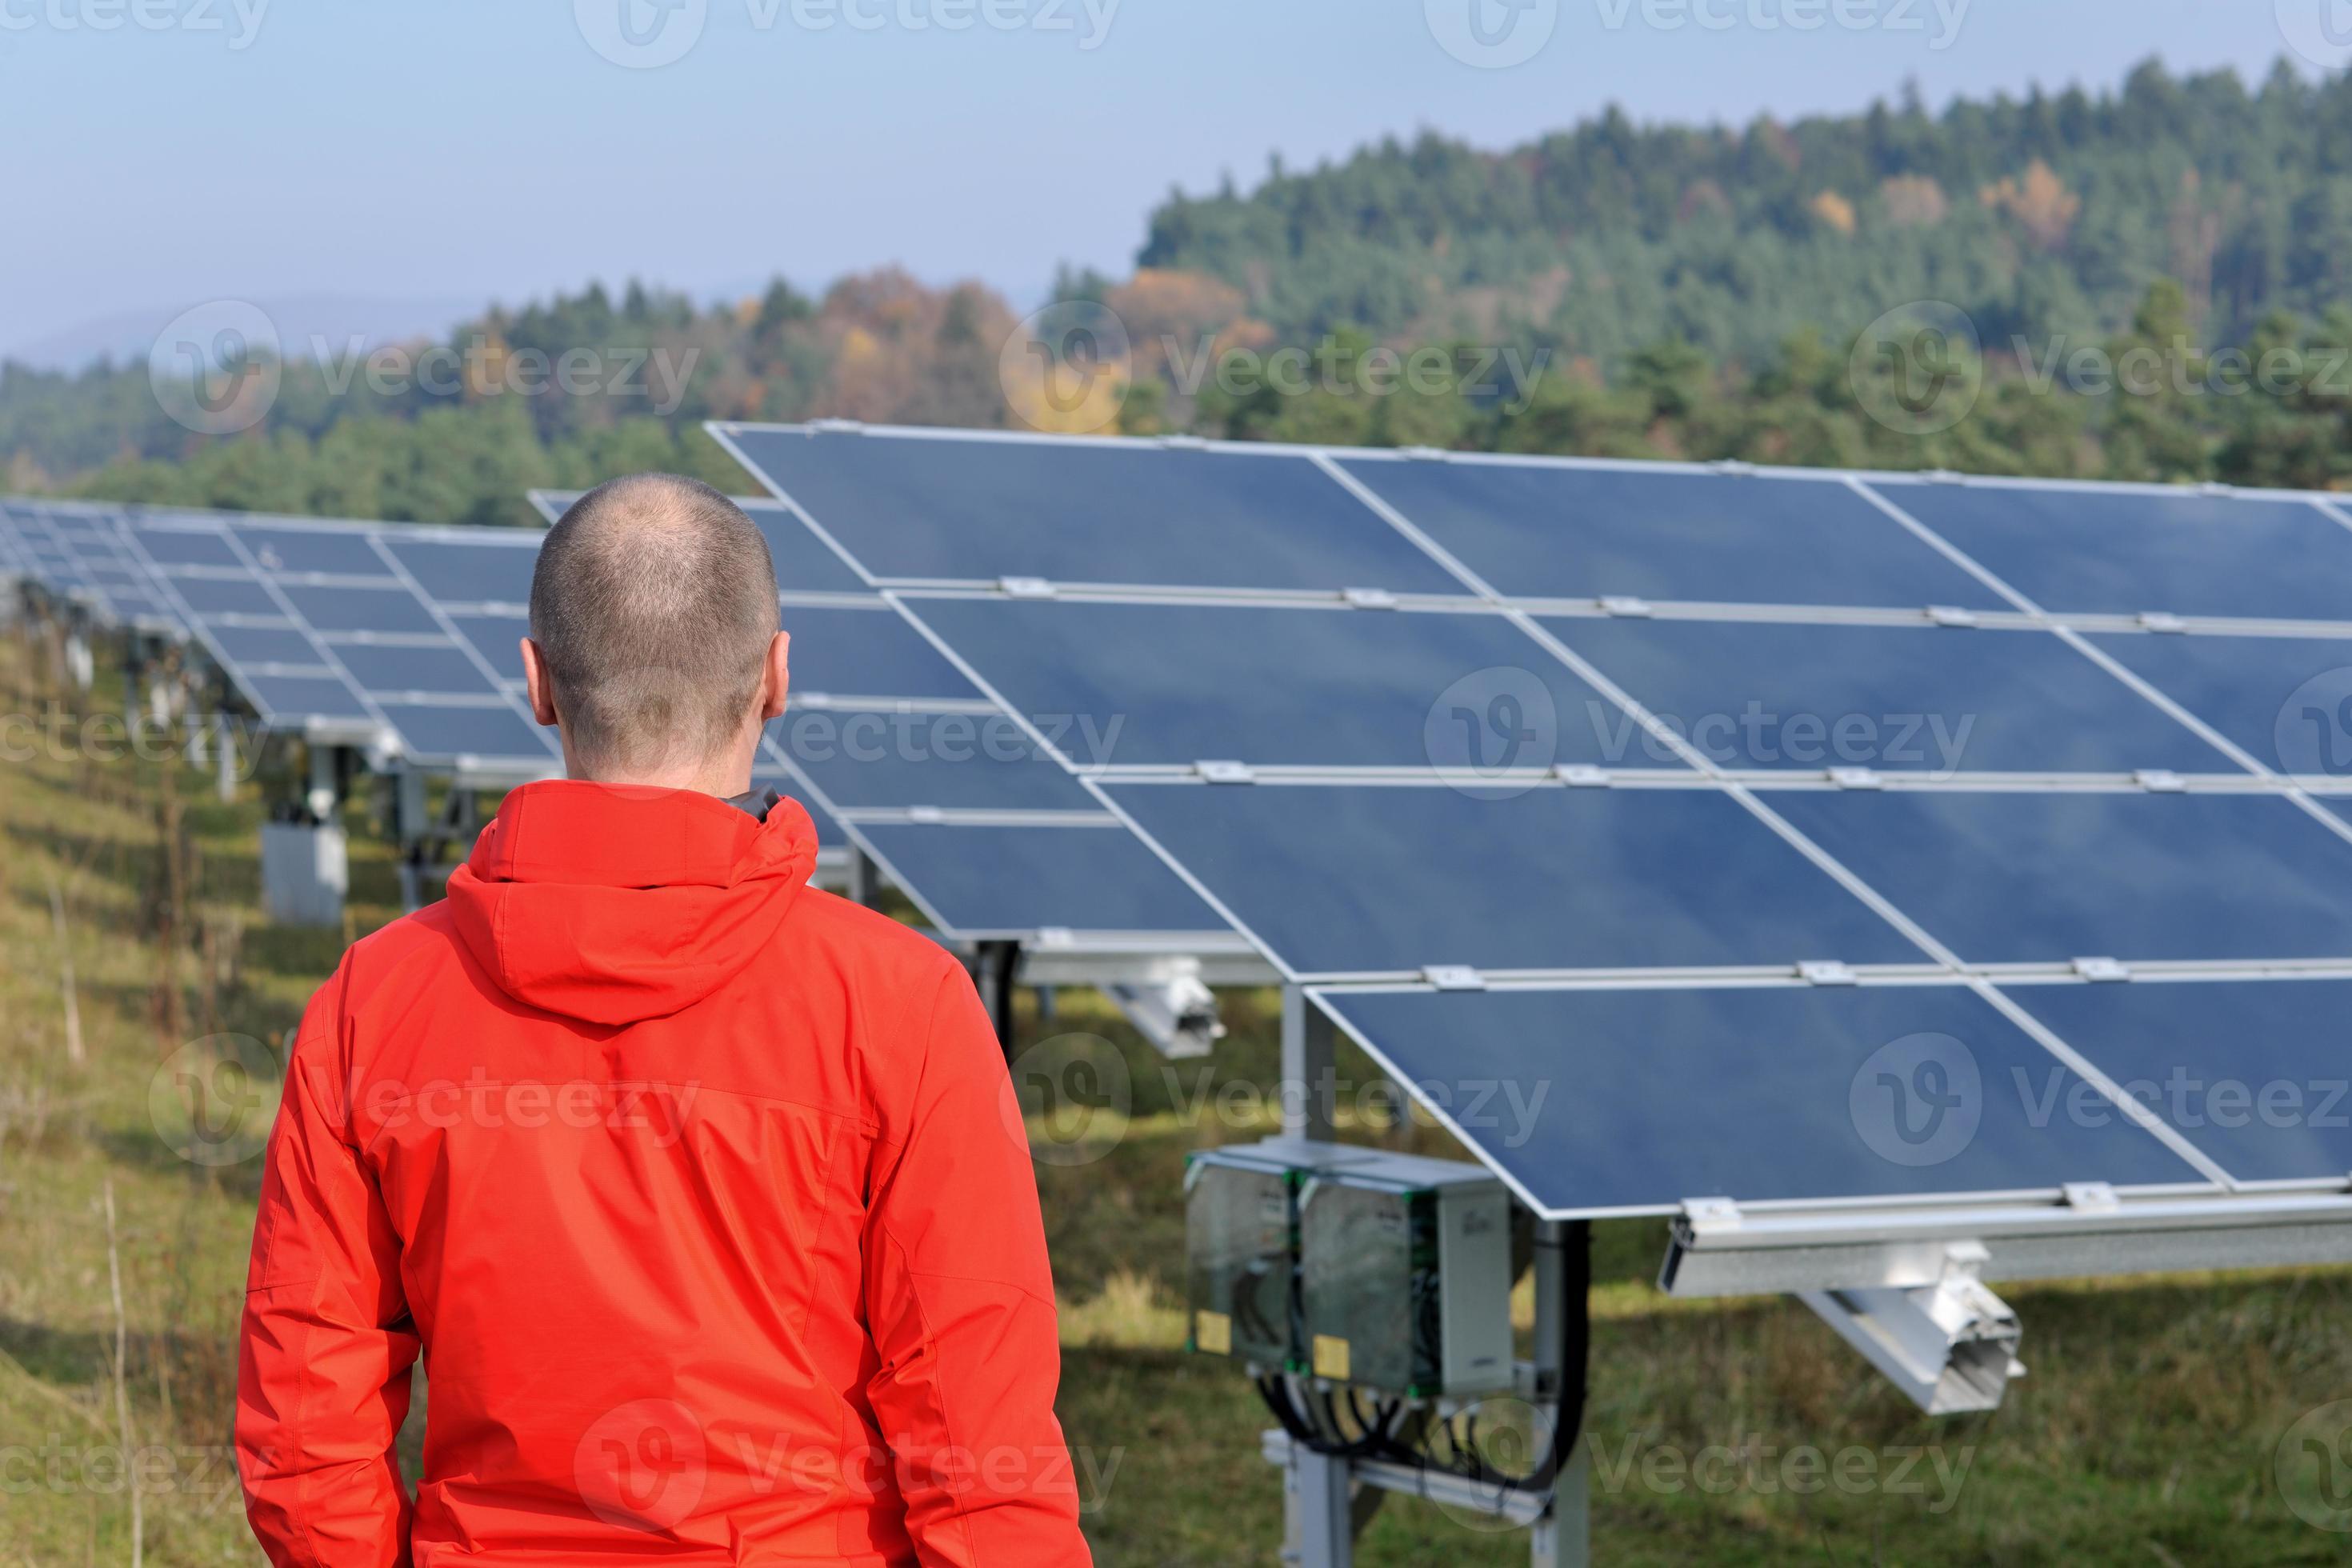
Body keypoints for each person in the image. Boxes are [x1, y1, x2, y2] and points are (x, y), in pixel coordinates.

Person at [236, 474, 1090, 1566]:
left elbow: (306, 1435)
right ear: (778, 677)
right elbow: (984, 1458)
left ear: (537, 683)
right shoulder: (901, 1006)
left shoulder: (373, 1002)